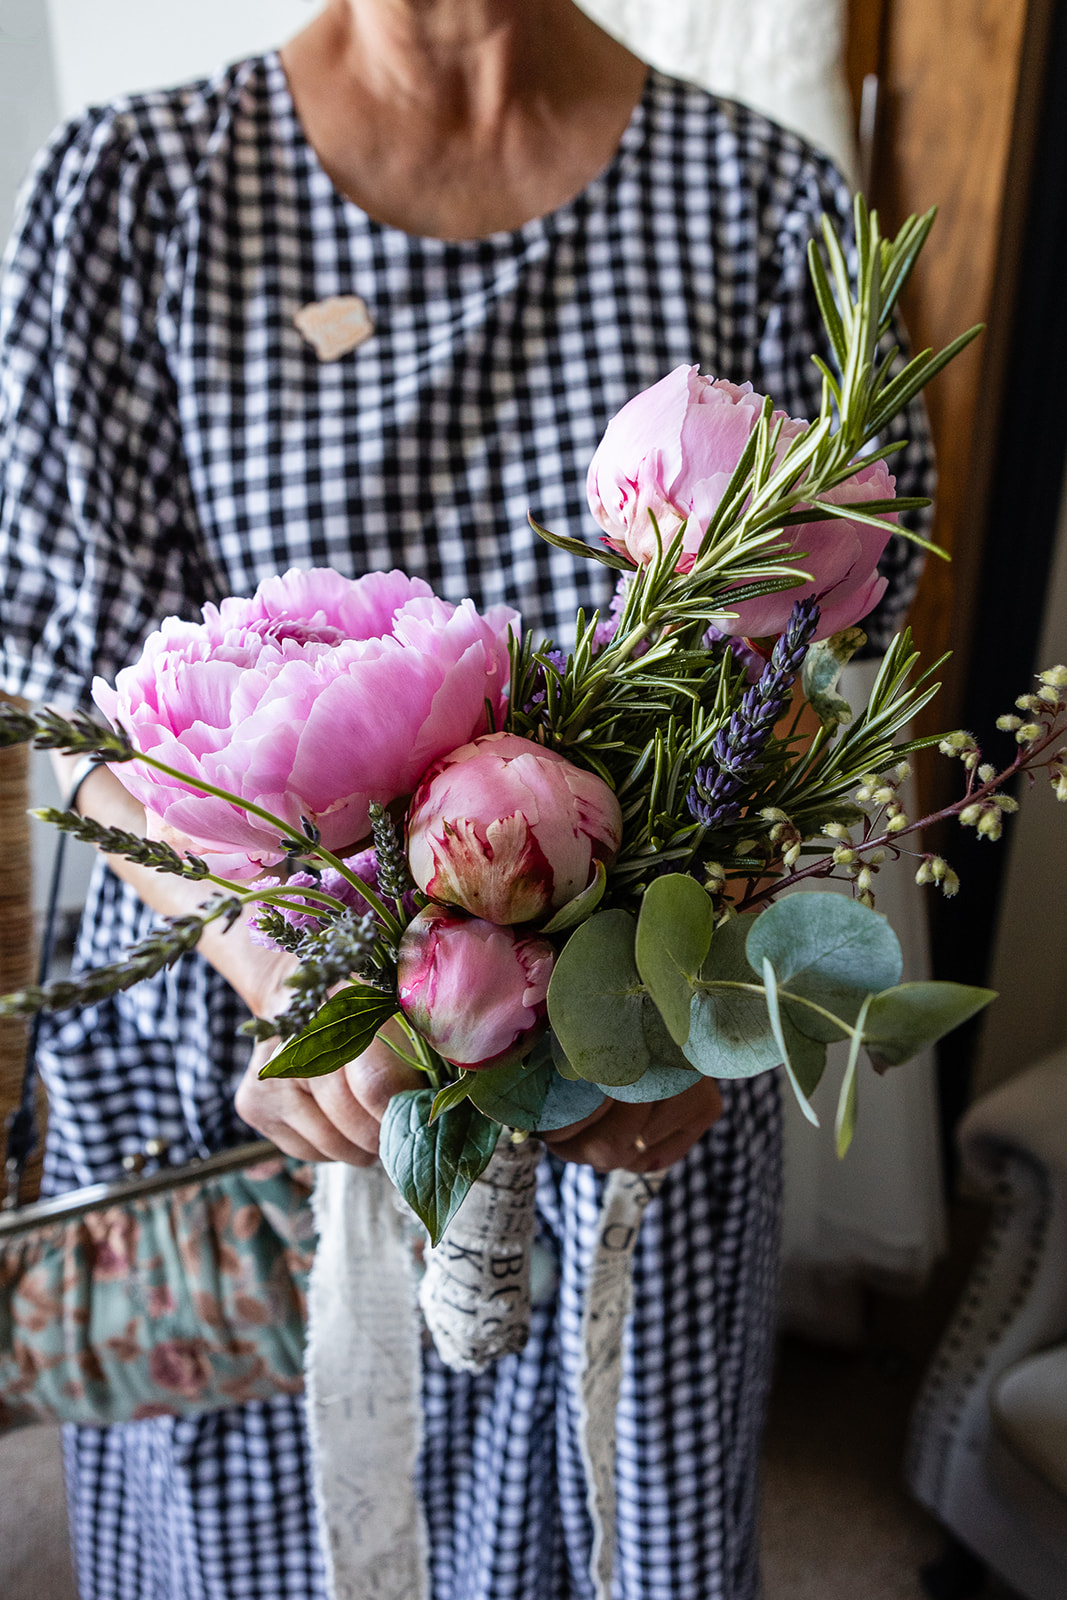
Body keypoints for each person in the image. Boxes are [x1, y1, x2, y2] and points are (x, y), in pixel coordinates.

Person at [0, 2, 933, 1596]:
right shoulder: (139, 187)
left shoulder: (764, 205)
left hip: (623, 1094)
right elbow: (82, 688)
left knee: (608, 1526)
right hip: (269, 1085)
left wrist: (704, 990)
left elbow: (829, 677)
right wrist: (308, 989)